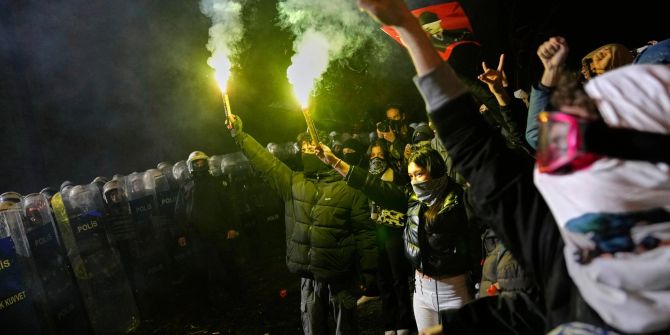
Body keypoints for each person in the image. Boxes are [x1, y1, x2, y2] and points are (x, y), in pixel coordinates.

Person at [354, 1, 670, 334]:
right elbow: (476, 148)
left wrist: (410, 29)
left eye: (589, 129)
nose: (563, 139)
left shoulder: (561, 236)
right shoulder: (567, 244)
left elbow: (477, 147)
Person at [227, 116, 377, 335]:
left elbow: (365, 232)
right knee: (313, 329)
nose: (306, 152)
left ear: (327, 150)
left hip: (340, 279)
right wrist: (239, 135)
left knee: (345, 330)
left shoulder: (349, 189)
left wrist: (369, 272)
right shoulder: (294, 182)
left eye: (311, 147)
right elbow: (265, 161)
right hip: (309, 279)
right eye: (303, 148)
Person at [316, 143, 475, 332]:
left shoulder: (460, 201)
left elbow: (477, 242)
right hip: (422, 292)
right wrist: (335, 162)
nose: (415, 181)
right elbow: (374, 186)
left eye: (420, 173)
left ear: (436, 170)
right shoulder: (412, 197)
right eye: (411, 176)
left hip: (454, 291)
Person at [174, 150, 241, 312]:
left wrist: (232, 227)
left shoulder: (216, 181)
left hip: (219, 231)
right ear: (191, 165)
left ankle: (237, 296)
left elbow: (228, 205)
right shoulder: (186, 186)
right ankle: (206, 303)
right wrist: (181, 234)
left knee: (227, 263)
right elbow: (180, 211)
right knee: (200, 269)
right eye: (196, 163)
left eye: (202, 162)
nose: (199, 165)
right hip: (196, 235)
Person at [367, 141, 415, 335]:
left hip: (393, 231)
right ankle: (389, 322)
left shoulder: (395, 176)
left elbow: (402, 201)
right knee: (383, 279)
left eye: (380, 154)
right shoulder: (367, 178)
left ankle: (404, 320)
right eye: (373, 154)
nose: (376, 158)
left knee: (398, 277)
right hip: (375, 232)